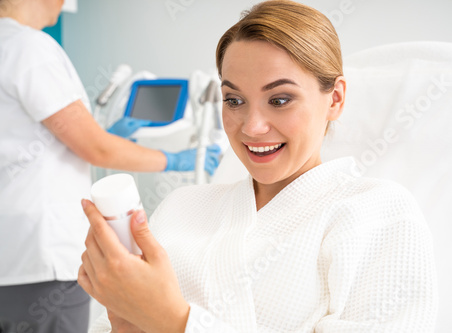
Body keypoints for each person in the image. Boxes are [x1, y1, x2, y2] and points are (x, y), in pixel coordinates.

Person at [78, 0, 438, 332]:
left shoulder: (377, 211)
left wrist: (175, 322)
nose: (251, 126)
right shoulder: (180, 207)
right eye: (234, 100)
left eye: (279, 99)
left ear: (336, 99)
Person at [0, 0, 220, 332]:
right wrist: (175, 159)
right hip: (40, 259)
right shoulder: (27, 45)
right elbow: (94, 148)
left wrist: (104, 138)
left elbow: (29, 142)